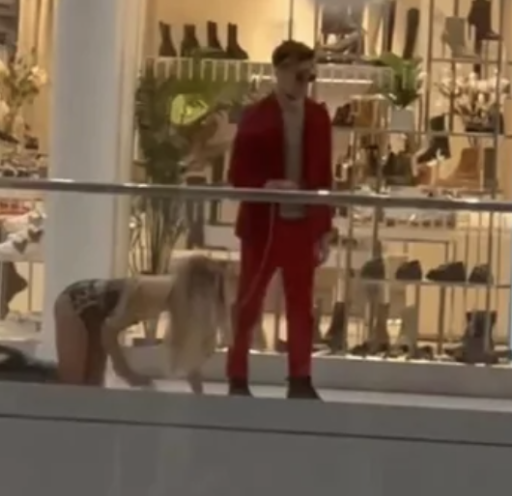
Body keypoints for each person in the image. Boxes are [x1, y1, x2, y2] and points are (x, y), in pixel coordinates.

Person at [226, 39, 334, 399]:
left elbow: (324, 178)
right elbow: (237, 174)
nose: (305, 83)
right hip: (263, 226)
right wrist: (265, 185)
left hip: (302, 225)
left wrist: (324, 228)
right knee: (249, 302)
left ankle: (300, 379)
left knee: (301, 306)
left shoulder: (319, 116)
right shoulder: (256, 116)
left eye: (309, 75)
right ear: (280, 72)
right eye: (299, 75)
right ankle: (237, 376)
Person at [53, 256, 229, 393]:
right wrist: (127, 373)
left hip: (97, 310)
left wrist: (200, 395)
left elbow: (187, 352)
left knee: (91, 386)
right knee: (73, 384)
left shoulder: (179, 302)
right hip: (76, 302)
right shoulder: (155, 292)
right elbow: (108, 331)